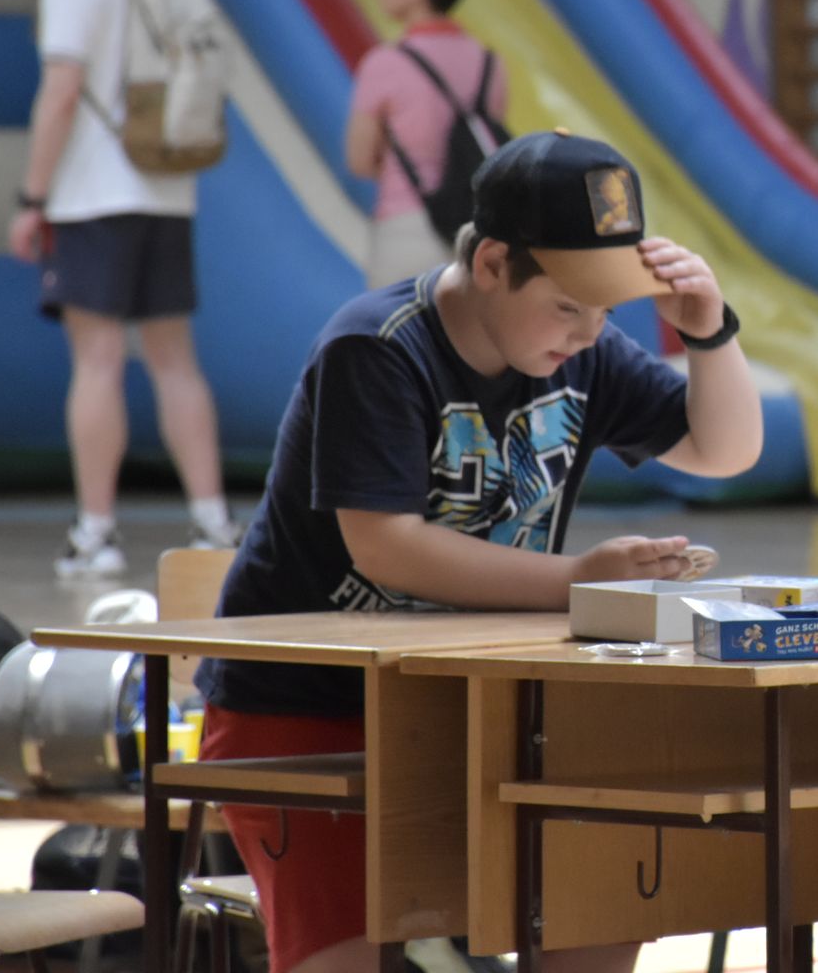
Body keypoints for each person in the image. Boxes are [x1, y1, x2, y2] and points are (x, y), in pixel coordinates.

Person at [193, 129, 763, 973]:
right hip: (308, 712)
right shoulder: (378, 347)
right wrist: (578, 581)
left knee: (602, 899)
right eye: (568, 306)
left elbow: (725, 450)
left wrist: (710, 334)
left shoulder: (583, 352)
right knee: (345, 956)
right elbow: (386, 548)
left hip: (481, 711)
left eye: (607, 311)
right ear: (493, 262)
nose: (589, 332)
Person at [8, 0, 237, 579]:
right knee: (175, 359)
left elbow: (61, 90)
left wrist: (32, 196)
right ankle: (213, 522)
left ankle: (97, 533)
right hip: (166, 187)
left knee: (97, 359)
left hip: (93, 194)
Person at [345, 0, 509, 288]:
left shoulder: (386, 63)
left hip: (407, 227)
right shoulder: (489, 63)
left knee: (398, 324)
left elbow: (360, 160)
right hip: (475, 234)